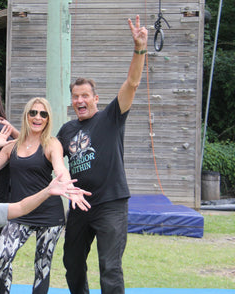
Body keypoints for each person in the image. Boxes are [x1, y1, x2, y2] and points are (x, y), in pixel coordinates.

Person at [57, 15, 148, 294]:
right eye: (75, 96)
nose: (80, 101)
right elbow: (48, 152)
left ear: (96, 98)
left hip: (110, 203)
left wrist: (139, 49)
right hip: (79, 205)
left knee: (110, 266)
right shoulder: (67, 129)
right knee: (72, 263)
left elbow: (131, 84)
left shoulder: (111, 117)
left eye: (85, 95)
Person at [0, 97, 91, 294]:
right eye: (33, 112)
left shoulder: (51, 144)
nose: (37, 117)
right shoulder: (11, 146)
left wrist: (68, 187)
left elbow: (60, 168)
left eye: (43, 114)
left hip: (49, 214)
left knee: (42, 265)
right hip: (19, 212)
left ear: (48, 119)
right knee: (3, 258)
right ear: (26, 116)